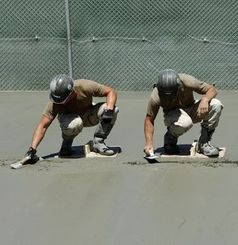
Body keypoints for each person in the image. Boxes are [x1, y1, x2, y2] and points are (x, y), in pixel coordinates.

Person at [23, 74, 119, 162]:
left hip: (89, 115)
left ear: (72, 93)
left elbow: (110, 91)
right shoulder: (54, 103)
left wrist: (109, 110)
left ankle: (98, 142)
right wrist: (32, 150)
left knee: (113, 110)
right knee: (75, 123)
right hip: (70, 121)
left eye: (62, 100)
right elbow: (43, 126)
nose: (60, 102)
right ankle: (66, 145)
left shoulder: (84, 86)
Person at [144, 69, 223, 157]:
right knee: (185, 122)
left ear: (179, 86)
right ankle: (170, 140)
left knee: (216, 105)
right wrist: (149, 143)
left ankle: (203, 143)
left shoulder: (187, 81)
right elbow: (149, 120)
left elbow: (212, 89)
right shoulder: (156, 95)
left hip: (191, 108)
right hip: (173, 115)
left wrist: (205, 99)